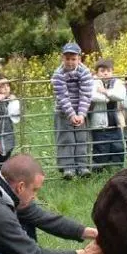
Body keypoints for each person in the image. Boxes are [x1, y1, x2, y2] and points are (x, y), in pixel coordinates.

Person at [50, 42, 93, 179]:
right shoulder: (58, 74)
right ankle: (68, 167)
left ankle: (82, 166)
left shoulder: (84, 72)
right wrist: (71, 114)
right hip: (63, 112)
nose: (70, 62)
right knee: (66, 138)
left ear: (79, 59)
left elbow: (85, 94)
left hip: (81, 110)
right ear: (62, 58)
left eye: (73, 59)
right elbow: (62, 96)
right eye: (67, 58)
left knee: (81, 138)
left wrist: (81, 114)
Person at [88, 59, 126, 171]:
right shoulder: (92, 82)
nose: (105, 73)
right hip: (99, 126)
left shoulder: (117, 83)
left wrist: (105, 92)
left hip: (116, 124)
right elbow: (92, 95)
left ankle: (116, 170)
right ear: (96, 72)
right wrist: (108, 99)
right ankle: (98, 173)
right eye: (102, 70)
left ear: (112, 72)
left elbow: (121, 95)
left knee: (118, 148)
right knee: (101, 149)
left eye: (108, 70)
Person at [0, 73, 20, 169]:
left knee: (5, 163)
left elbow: (17, 115)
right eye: (2, 86)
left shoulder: (10, 100)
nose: (6, 88)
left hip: (8, 138)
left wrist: (13, 101)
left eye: (7, 85)